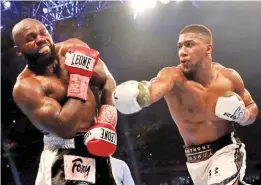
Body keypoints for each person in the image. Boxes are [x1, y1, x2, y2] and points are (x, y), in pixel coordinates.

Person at [112, 24, 259, 185]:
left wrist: (243, 115)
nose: (182, 51)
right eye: (180, 46)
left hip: (226, 150)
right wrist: (140, 94)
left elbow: (252, 108)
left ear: (208, 49)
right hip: (194, 161)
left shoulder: (229, 78)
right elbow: (153, 88)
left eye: (189, 45)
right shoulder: (173, 77)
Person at [12, 18, 118, 185]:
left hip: (95, 139)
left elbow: (107, 81)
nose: (40, 39)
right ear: (19, 50)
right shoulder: (26, 86)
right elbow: (65, 128)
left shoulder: (72, 48)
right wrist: (80, 77)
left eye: (43, 33)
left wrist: (106, 121)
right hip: (64, 149)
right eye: (30, 38)